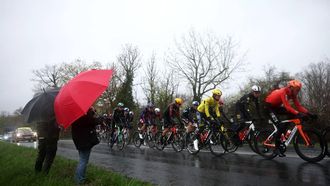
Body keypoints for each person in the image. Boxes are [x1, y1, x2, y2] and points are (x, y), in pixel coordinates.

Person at [264, 79, 316, 157]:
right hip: (268, 107)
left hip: (276, 107)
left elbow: (299, 106)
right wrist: (299, 114)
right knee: (280, 126)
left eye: (299, 90)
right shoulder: (283, 92)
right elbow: (287, 107)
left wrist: (309, 113)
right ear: (291, 88)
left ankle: (284, 130)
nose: (298, 91)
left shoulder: (292, 94)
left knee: (291, 115)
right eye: (296, 89)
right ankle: (276, 149)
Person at [71, 107, 99, 184]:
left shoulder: (75, 113)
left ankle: (78, 178)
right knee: (83, 161)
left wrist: (92, 111)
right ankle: (79, 180)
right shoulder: (83, 113)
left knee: (82, 159)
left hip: (79, 139)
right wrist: (92, 112)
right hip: (84, 140)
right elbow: (92, 121)